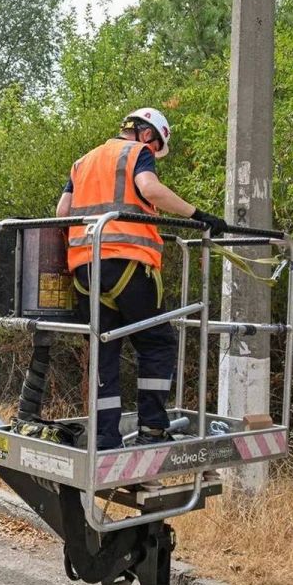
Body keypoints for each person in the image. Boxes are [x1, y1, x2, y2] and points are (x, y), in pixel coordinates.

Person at [56, 108, 226, 449]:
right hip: (127, 264)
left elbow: (62, 212)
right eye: (156, 144)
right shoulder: (137, 152)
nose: (154, 150)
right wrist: (199, 216)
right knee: (157, 342)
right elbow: (150, 189)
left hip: (85, 268)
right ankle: (152, 428)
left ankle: (105, 436)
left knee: (103, 348)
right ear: (148, 134)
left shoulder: (83, 161)